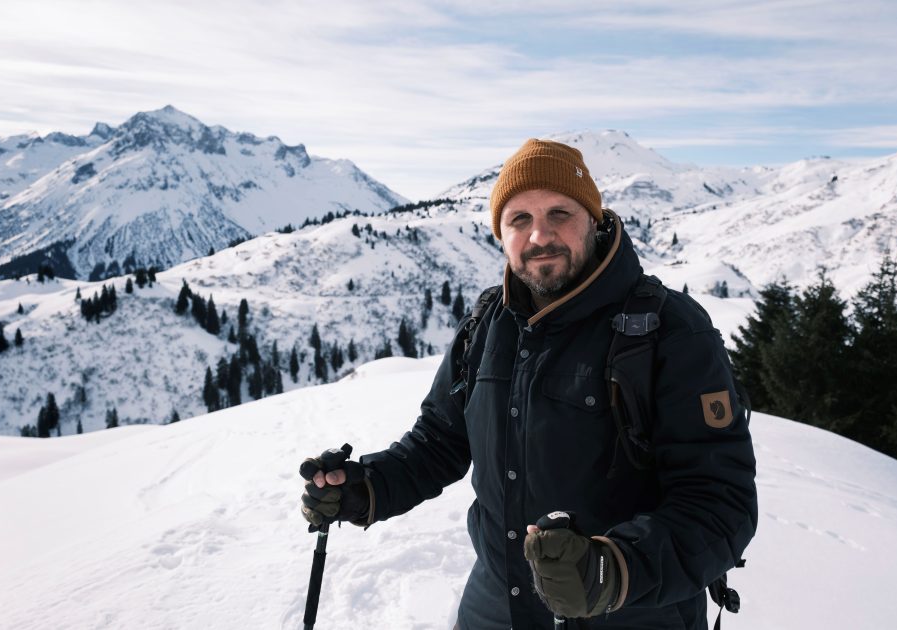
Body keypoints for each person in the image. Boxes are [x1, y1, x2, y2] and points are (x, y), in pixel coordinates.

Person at [300, 139, 758, 629]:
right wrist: (365, 487)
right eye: (519, 219)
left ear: (594, 221)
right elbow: (439, 442)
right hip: (497, 604)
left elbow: (719, 500)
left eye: (559, 212)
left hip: (632, 611)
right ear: (500, 234)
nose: (540, 235)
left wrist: (613, 569)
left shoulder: (669, 330)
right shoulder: (487, 324)